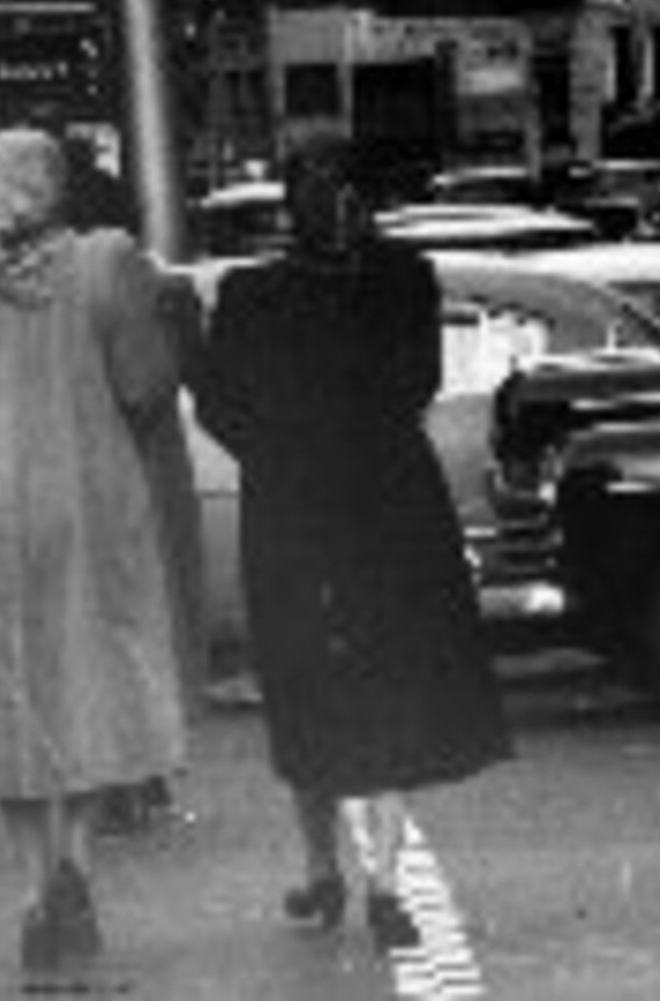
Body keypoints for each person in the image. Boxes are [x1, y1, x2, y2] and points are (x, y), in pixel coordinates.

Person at [195, 132, 510, 953]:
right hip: (384, 501)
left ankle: (340, 871)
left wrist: (282, 448)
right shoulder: (396, 279)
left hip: (303, 508)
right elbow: (415, 383)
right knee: (364, 684)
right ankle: (365, 877)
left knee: (318, 686)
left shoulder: (259, 291)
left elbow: (224, 401)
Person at [0, 126, 191, 980]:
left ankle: (33, 892)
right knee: (88, 681)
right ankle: (78, 864)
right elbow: (142, 383)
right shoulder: (104, 260)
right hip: (85, 500)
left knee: (4, 698)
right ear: (59, 185)